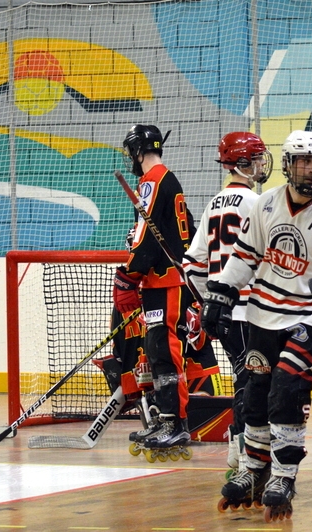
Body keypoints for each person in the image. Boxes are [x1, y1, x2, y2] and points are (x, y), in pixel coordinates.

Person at [202, 130, 312, 520]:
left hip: (310, 319)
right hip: (263, 314)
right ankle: (253, 469)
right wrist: (221, 292)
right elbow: (244, 258)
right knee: (255, 395)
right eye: (304, 161)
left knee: (287, 388)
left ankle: (284, 474)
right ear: (289, 164)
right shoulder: (264, 205)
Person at [183, 131, 273, 471]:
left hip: (225, 313)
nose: (263, 164)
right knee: (255, 381)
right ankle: (245, 449)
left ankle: (239, 450)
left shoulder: (213, 203)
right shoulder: (258, 203)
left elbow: (191, 264)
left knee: (245, 377)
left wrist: (209, 301)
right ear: (243, 164)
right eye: (257, 158)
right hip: (252, 310)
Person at [112, 124, 193, 455]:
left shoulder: (152, 181)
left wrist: (129, 274)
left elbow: (146, 238)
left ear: (136, 151)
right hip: (162, 279)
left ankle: (176, 422)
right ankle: (167, 416)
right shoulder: (166, 179)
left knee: (166, 349)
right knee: (157, 349)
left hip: (167, 280)